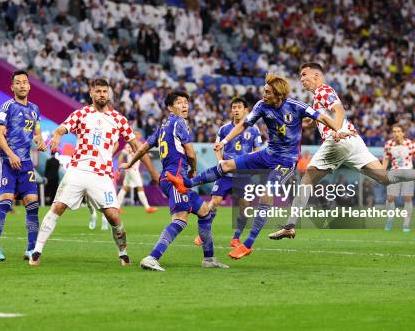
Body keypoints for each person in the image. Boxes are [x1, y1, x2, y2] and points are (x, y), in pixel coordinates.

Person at [267, 63, 415, 239]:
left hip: (338, 140)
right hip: (353, 141)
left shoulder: (323, 90)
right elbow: (313, 120)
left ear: (317, 75)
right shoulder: (318, 99)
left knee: (307, 180)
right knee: (385, 178)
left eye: (304, 75)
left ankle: (289, 226)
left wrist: (337, 129)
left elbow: (338, 109)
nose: (301, 79)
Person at [166, 74, 340, 259]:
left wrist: (339, 129)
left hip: (286, 161)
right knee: (226, 165)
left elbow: (322, 117)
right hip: (267, 154)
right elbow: (243, 125)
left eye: (267, 92)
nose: (263, 94)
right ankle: (187, 183)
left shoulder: (296, 106)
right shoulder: (261, 105)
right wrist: (224, 141)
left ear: (278, 95)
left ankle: (247, 244)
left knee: (266, 195)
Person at [29, 78, 159, 267]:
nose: (101, 95)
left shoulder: (118, 119)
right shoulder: (81, 114)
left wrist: (154, 173)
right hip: (78, 170)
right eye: (97, 91)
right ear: (91, 93)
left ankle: (123, 253)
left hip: (102, 175)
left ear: (109, 94)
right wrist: (57, 136)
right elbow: (62, 128)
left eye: (104, 92)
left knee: (114, 216)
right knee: (57, 207)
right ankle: (37, 251)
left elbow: (137, 146)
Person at [123, 91, 229, 271]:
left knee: (204, 212)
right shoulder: (179, 123)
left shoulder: (162, 127)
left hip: (169, 178)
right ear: (170, 107)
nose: (184, 105)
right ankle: (152, 257)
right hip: (176, 179)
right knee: (180, 219)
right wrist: (194, 170)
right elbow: (190, 152)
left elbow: (142, 149)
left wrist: (130, 162)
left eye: (186, 102)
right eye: (179, 103)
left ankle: (209, 259)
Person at [0, 71, 47, 261]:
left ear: (29, 86)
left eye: (25, 82)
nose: (22, 85)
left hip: (26, 163)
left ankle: (31, 248)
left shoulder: (35, 109)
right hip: (7, 160)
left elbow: (36, 131)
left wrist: (40, 140)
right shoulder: (8, 106)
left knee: (32, 204)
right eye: (18, 83)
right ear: (12, 87)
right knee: (5, 201)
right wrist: (11, 154)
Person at [193, 97, 263, 248]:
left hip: (243, 174)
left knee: (244, 206)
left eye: (239, 107)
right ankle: (203, 234)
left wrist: (253, 165)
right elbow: (217, 147)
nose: (236, 110)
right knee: (214, 202)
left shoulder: (254, 129)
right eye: (234, 107)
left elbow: (257, 151)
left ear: (246, 110)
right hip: (225, 174)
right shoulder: (224, 129)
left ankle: (236, 238)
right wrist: (220, 162)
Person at [381, 124, 415, 232]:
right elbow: (385, 159)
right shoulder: (389, 144)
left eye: (398, 131)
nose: (396, 133)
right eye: (394, 131)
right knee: (390, 197)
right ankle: (389, 220)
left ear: (403, 133)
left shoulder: (411, 144)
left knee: (407, 198)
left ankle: (406, 225)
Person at [116, 130, 158, 213]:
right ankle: (147, 207)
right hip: (133, 169)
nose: (139, 135)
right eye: (137, 134)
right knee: (140, 187)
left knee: (125, 187)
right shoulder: (130, 145)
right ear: (134, 135)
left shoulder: (138, 144)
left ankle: (116, 207)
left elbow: (142, 153)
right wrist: (119, 167)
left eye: (139, 134)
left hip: (130, 169)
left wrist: (148, 155)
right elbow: (121, 156)